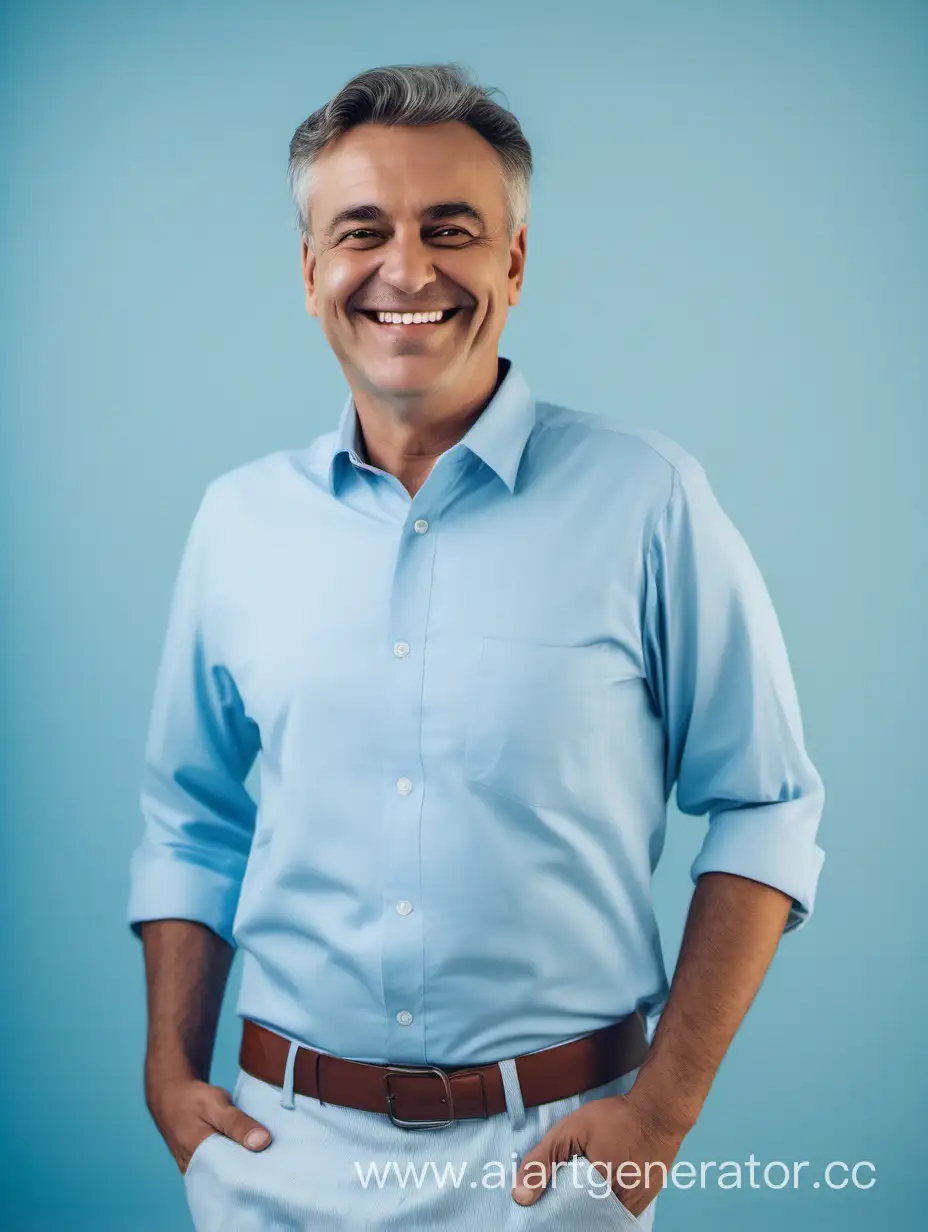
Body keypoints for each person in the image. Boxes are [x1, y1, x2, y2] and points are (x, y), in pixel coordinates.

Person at [127, 62, 826, 1231]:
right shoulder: (235, 521)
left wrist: (661, 1114)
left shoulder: (647, 498)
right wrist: (168, 1070)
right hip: (272, 1158)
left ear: (512, 263)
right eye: (363, 231)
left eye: (450, 229)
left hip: (548, 1170)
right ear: (311, 274)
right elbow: (191, 814)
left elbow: (766, 805)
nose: (406, 269)